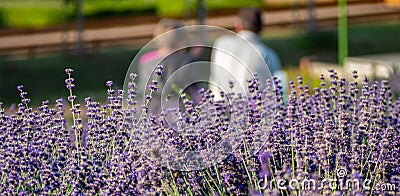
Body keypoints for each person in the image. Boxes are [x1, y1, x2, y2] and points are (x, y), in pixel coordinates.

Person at [209, 7, 285, 100]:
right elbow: (277, 90)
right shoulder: (268, 55)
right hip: (253, 110)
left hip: (218, 109)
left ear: (238, 26)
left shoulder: (220, 44)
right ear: (261, 28)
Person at [138, 18, 199, 114]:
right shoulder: (186, 60)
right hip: (178, 110)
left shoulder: (145, 59)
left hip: (151, 110)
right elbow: (192, 89)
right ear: (181, 40)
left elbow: (143, 87)